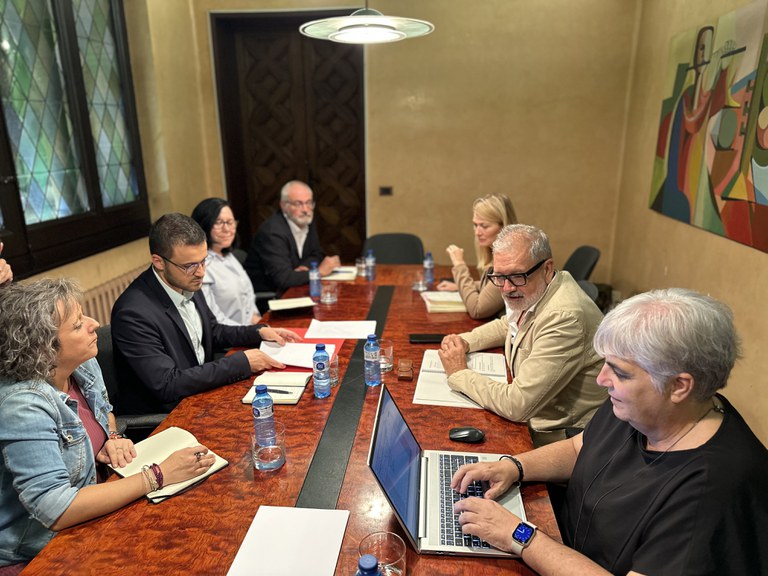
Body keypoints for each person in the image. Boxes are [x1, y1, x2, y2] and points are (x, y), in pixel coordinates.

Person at [452, 288, 768, 575]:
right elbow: (581, 447)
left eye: (619, 372)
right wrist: (514, 466)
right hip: (560, 544)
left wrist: (520, 535)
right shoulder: (647, 408)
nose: (602, 379)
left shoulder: (712, 489)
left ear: (679, 386)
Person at [0, 279, 215, 573]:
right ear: (43, 348)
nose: (94, 324)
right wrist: (159, 475)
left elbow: (106, 412)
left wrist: (111, 436)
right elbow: (56, 509)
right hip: (41, 551)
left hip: (100, 508)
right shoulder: (23, 406)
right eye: (78, 325)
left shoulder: (82, 364)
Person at [111, 213, 301, 415]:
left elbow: (211, 330)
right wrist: (241, 363)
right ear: (159, 262)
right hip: (171, 414)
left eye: (203, 261)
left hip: (202, 395)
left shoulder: (185, 280)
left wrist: (258, 332)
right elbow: (167, 384)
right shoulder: (133, 313)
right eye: (190, 266)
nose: (201, 272)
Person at [438, 224, 606, 446]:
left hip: (559, 438)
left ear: (547, 268)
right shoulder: (540, 287)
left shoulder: (564, 318)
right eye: (499, 276)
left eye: (516, 276)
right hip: (533, 419)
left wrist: (459, 373)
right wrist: (465, 341)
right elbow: (509, 324)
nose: (507, 288)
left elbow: (517, 405)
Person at [243, 180, 340, 293]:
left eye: (309, 203)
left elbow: (316, 254)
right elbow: (282, 279)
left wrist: (305, 268)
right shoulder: (272, 233)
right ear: (284, 206)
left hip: (295, 287)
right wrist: (318, 272)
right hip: (271, 295)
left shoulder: (306, 221)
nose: (305, 210)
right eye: (298, 204)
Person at [436, 194, 517, 319]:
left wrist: (459, 264)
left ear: (503, 227)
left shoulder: (509, 261)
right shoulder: (499, 252)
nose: (477, 232)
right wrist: (462, 286)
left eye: (484, 226)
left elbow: (477, 310)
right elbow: (490, 287)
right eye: (475, 225)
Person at [191, 198, 261, 325]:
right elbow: (212, 320)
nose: (227, 229)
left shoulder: (229, 256)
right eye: (218, 223)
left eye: (230, 222)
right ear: (204, 225)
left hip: (250, 329)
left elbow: (248, 303)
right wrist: (251, 331)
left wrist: (260, 323)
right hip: (231, 335)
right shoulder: (200, 266)